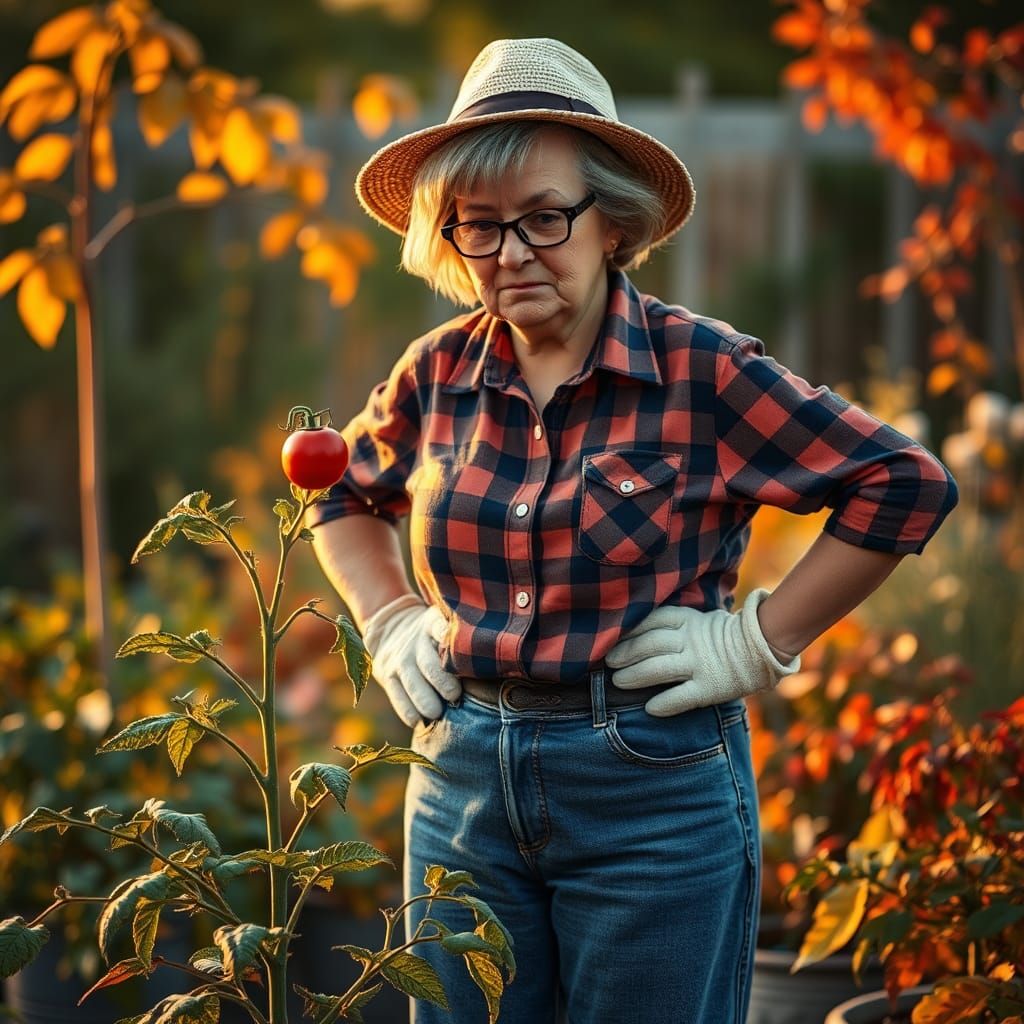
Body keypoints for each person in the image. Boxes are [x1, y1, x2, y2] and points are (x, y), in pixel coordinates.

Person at [307, 37, 959, 1024]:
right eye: (477, 228)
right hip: (459, 783)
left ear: (611, 221)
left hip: (649, 787)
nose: (511, 252)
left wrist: (757, 637)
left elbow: (901, 483)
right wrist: (390, 614)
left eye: (542, 218)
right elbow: (341, 491)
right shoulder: (436, 373)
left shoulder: (700, 371)